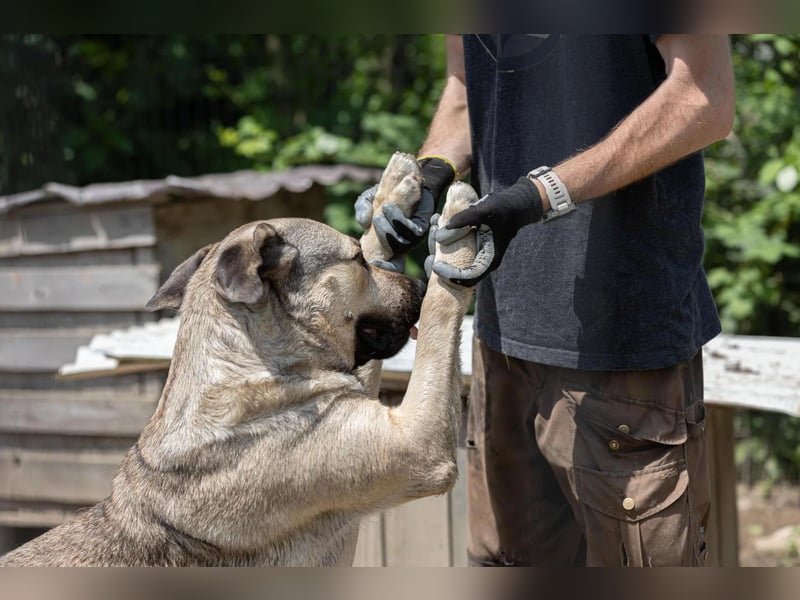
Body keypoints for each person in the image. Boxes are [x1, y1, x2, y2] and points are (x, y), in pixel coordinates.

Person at [355, 34, 735, 567]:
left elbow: (704, 99)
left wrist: (541, 194)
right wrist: (434, 171)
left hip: (622, 347)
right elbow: (466, 89)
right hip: (500, 343)